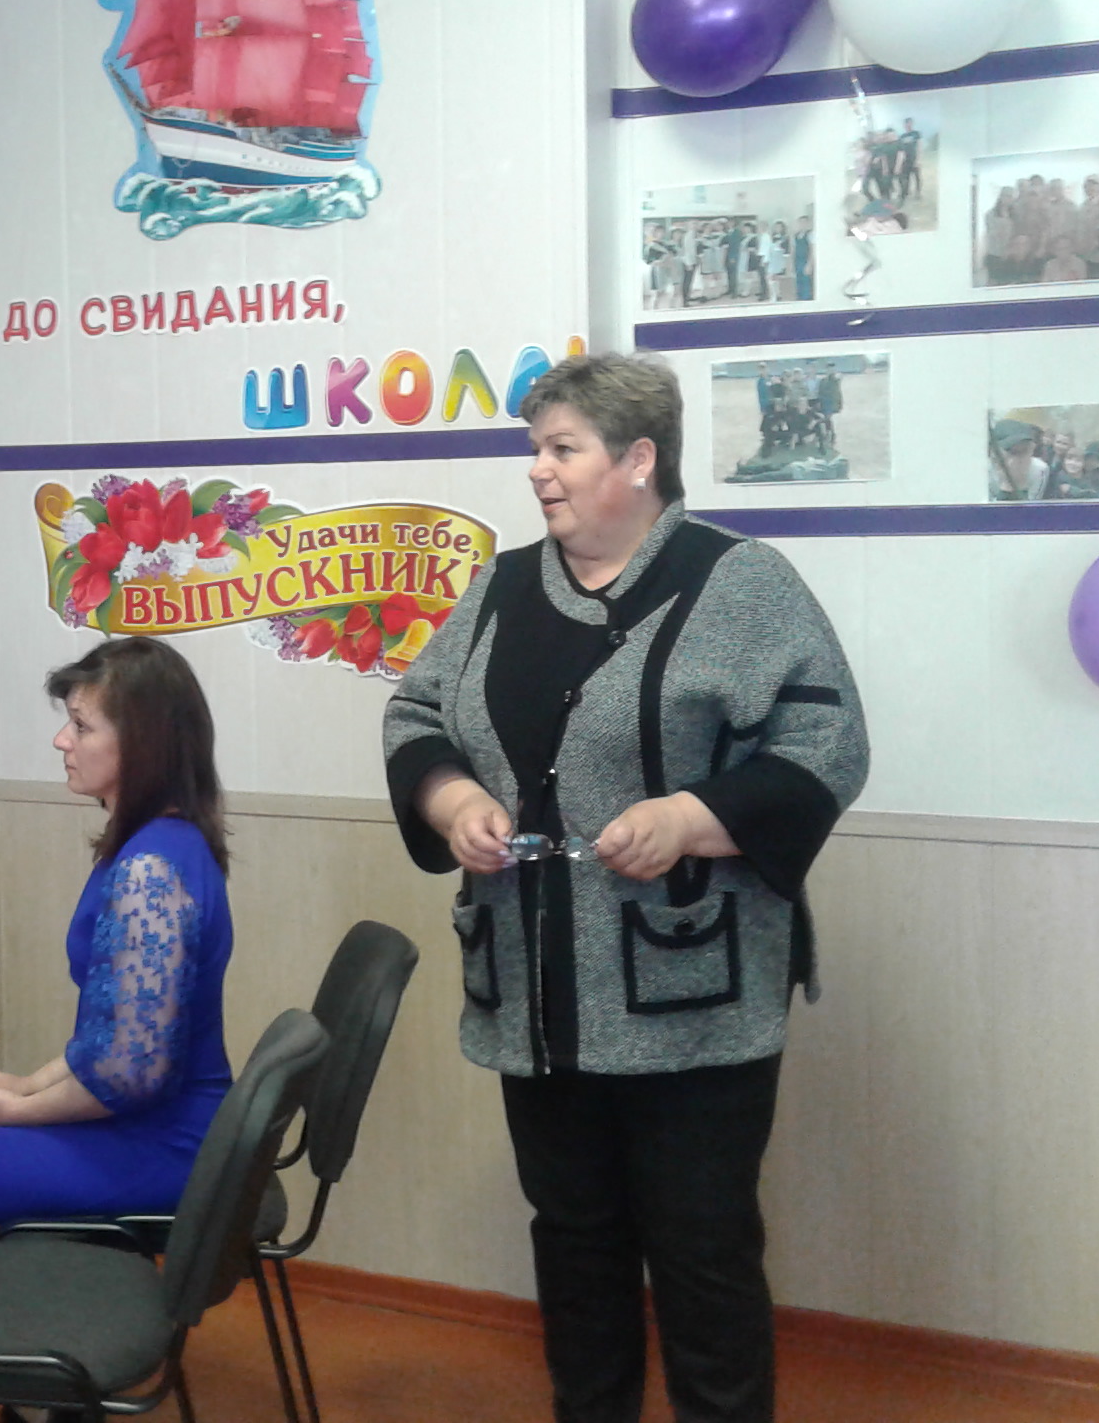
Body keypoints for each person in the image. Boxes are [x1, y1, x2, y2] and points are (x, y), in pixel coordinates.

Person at [381, 352, 869, 1423]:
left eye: (562, 450)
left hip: (690, 1006)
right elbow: (415, 714)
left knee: (702, 1255)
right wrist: (452, 800)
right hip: (536, 998)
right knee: (573, 1242)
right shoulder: (502, 588)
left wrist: (692, 818)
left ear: (638, 459)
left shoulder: (740, 582)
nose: (538, 472)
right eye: (535, 450)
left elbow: (826, 745)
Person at [0, 636, 234, 1280]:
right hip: (166, 1122)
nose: (62, 741)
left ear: (143, 744)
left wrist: (20, 1112)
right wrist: (26, 1087)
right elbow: (111, 1037)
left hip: (164, 1142)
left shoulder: (149, 872)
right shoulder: (165, 844)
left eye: (81, 726)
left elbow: (130, 1075)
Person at [989, 418, 1049, 501]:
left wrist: (1020, 484)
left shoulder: (1040, 470)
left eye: (1024, 450)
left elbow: (1030, 507)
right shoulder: (983, 471)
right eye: (1012, 451)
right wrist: (1007, 484)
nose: (1018, 459)